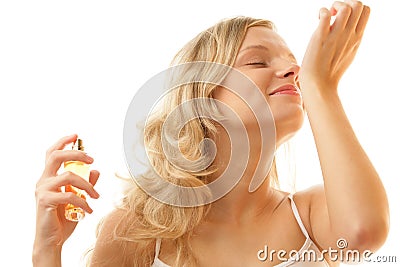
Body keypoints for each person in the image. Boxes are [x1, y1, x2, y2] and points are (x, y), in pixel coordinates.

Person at [33, 1, 389, 266]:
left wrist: (320, 86)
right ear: (202, 96)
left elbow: (364, 233)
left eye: (296, 63)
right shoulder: (137, 233)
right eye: (258, 61)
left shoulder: (310, 216)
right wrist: (47, 249)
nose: (293, 69)